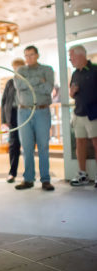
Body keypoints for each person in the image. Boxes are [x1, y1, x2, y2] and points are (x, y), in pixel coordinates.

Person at [14, 45, 55, 191]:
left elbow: (48, 88)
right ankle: (28, 179)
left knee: (43, 146)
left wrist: (29, 83)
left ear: (37, 55)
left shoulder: (47, 70)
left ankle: (45, 180)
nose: (28, 58)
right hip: (24, 112)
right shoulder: (20, 71)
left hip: (42, 111)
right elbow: (19, 85)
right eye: (26, 56)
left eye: (31, 55)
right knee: (27, 147)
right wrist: (39, 80)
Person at [68, 45, 97, 187]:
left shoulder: (95, 70)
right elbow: (71, 93)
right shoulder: (75, 74)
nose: (70, 59)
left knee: (96, 143)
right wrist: (72, 92)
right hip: (78, 114)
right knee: (80, 143)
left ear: (80, 55)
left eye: (71, 56)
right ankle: (82, 175)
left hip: (94, 114)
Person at [1, 58, 25, 183]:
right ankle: (12, 173)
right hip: (13, 115)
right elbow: (4, 101)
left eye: (19, 67)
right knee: (13, 144)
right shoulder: (10, 82)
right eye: (15, 67)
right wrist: (4, 119)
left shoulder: (27, 81)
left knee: (27, 143)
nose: (17, 70)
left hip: (25, 113)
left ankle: (28, 174)